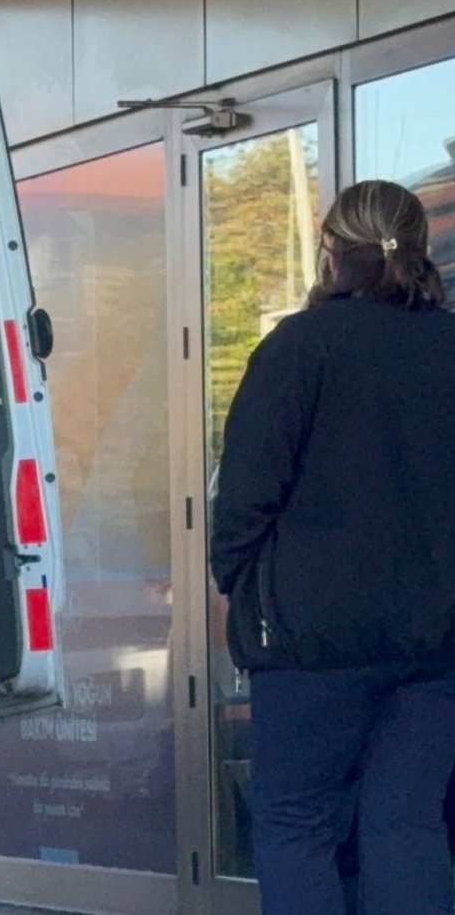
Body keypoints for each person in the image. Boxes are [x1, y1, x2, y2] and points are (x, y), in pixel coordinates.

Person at [210, 179, 455, 915]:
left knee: (295, 828)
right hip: (434, 640)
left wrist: (243, 587)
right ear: (420, 250)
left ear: (330, 253)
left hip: (309, 642)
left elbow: (245, 497)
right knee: (408, 824)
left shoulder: (297, 348)